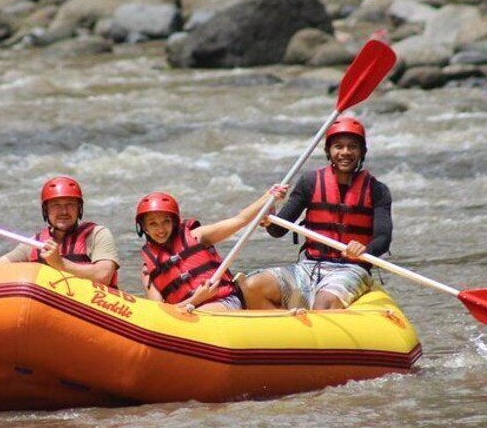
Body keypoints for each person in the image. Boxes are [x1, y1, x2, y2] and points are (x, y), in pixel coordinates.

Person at [242, 116, 393, 310]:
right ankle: (285, 332)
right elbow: (279, 230)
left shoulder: (378, 190)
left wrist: (365, 250)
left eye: (352, 147)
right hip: (309, 267)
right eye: (338, 146)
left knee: (323, 303)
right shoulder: (310, 182)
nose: (345, 152)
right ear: (329, 151)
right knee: (252, 286)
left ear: (362, 152)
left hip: (351, 269)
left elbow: (383, 237)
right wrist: (269, 219)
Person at [0, 176, 121, 286]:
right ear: (46, 211)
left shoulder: (97, 234)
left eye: (70, 205)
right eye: (56, 206)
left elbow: (103, 275)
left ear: (79, 209)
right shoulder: (33, 244)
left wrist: (60, 264)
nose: (64, 212)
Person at [136, 184, 288, 313]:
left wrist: (268, 196)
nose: (161, 229)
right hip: (187, 311)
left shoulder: (197, 236)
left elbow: (239, 220)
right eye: (153, 224)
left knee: (194, 316)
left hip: (225, 301)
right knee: (184, 317)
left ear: (174, 222)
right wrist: (196, 299)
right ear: (144, 228)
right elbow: (161, 313)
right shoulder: (147, 271)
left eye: (166, 221)